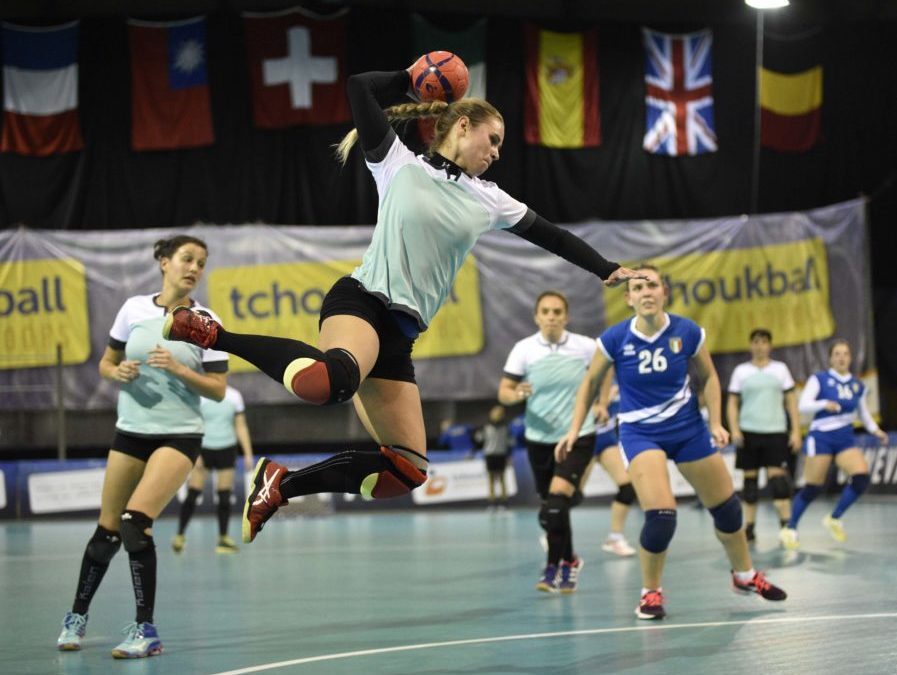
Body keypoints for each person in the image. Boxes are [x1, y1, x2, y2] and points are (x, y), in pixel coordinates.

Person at [162, 63, 640, 546]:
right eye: (492, 140)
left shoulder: (490, 199)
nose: (497, 153)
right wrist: (410, 75)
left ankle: (282, 484)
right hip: (362, 300)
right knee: (330, 381)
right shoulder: (397, 161)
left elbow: (552, 236)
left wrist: (607, 269)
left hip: (400, 334)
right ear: (462, 125)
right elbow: (357, 87)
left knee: (407, 470)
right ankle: (212, 334)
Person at [556, 265, 787, 621]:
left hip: (689, 428)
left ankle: (743, 576)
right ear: (629, 298)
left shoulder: (687, 331)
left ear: (664, 291)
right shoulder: (615, 339)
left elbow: (709, 377)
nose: (646, 292)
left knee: (728, 508)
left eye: (652, 285)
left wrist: (716, 422)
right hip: (640, 432)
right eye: (638, 287)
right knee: (662, 516)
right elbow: (589, 383)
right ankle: (650, 593)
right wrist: (574, 430)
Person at [57, 236, 228, 658]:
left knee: (136, 522)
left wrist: (177, 369)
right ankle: (76, 616)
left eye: (201, 263)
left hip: (179, 434)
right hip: (131, 431)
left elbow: (220, 391)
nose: (194, 268)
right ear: (163, 263)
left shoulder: (206, 320)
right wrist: (117, 373)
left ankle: (144, 629)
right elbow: (106, 362)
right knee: (107, 530)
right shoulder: (132, 309)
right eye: (187, 259)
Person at [498, 291, 596, 593]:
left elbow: (603, 375)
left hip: (577, 435)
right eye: (546, 311)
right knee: (552, 510)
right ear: (537, 317)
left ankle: (553, 568)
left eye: (557, 311)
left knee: (557, 501)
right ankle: (570, 559)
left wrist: (603, 402)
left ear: (566, 316)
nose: (552, 316)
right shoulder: (524, 350)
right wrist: (518, 394)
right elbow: (504, 392)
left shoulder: (586, 347)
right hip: (538, 438)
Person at [779, 339, 888, 550]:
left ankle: (834, 517)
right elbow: (803, 406)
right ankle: (790, 528)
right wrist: (823, 404)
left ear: (850, 357)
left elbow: (863, 414)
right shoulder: (819, 379)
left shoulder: (857, 385)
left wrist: (876, 431)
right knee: (813, 487)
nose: (841, 358)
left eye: (845, 354)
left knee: (861, 477)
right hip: (821, 436)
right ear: (830, 358)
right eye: (837, 354)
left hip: (845, 438)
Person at [726, 328, 801, 544]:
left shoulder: (780, 370)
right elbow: (732, 402)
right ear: (751, 346)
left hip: (775, 432)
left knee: (778, 482)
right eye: (756, 342)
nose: (760, 346)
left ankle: (786, 527)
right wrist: (734, 429)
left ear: (770, 346)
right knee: (750, 486)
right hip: (749, 432)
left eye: (764, 342)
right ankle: (749, 529)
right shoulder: (741, 372)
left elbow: (791, 401)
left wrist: (795, 430)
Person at [172, 384, 255, 555]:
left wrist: (248, 453)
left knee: (224, 496)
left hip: (227, 449)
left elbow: (241, 426)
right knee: (193, 493)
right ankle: (180, 535)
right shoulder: (200, 394)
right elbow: (191, 424)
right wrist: (195, 453)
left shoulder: (234, 396)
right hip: (204, 449)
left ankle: (223, 539)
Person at [582, 379, 638, 556]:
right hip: (584, 441)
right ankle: (553, 534)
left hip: (607, 440)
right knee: (572, 495)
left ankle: (615, 538)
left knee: (628, 487)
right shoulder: (584, 379)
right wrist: (600, 403)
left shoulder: (618, 380)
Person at [475, 405, 511, 509]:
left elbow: (509, 442)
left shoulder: (505, 428)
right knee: (492, 479)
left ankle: (503, 502)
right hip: (490, 454)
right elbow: (479, 439)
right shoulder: (486, 427)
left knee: (501, 479)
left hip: (500, 454)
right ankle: (492, 502)